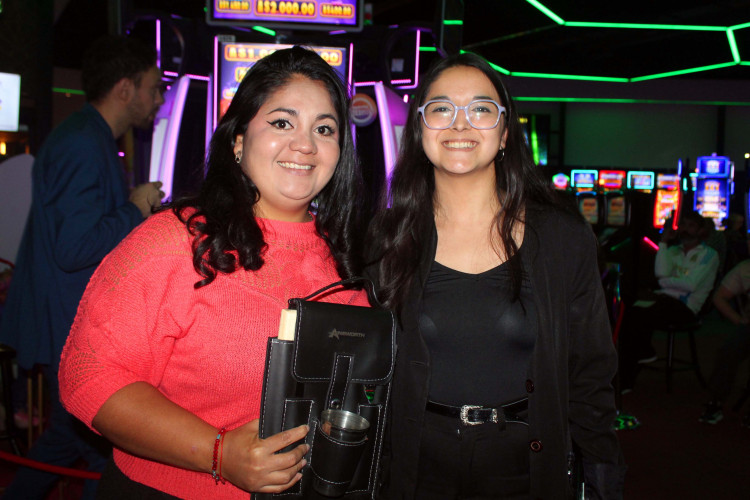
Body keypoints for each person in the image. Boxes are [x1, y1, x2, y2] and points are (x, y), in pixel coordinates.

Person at [58, 46, 369, 499]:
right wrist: (219, 452)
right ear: (238, 141)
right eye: (282, 123)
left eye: (324, 129)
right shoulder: (175, 240)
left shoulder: (351, 254)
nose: (305, 144)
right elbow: (87, 375)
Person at [366, 53, 625, 499]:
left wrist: (603, 479)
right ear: (419, 129)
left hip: (526, 468)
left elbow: (591, 375)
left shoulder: (561, 236)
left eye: (481, 109)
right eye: (441, 108)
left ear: (504, 133)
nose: (460, 123)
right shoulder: (386, 238)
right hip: (416, 469)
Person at [0, 35, 164, 499]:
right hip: (65, 318)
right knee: (96, 449)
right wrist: (134, 208)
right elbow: (74, 248)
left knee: (70, 439)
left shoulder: (86, 136)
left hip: (63, 314)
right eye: (153, 88)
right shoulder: (83, 143)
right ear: (125, 88)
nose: (158, 99)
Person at [618, 210, 720, 392]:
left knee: (639, 317)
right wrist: (663, 242)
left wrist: (666, 282)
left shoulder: (709, 255)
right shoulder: (672, 251)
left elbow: (690, 285)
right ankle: (628, 372)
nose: (685, 229)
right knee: (629, 314)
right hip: (664, 300)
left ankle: (635, 365)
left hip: (687, 307)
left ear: (701, 231)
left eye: (691, 226)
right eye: (683, 225)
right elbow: (660, 274)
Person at [698, 259, 750, 426]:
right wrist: (739, 320)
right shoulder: (744, 268)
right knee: (728, 351)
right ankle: (716, 400)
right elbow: (719, 297)